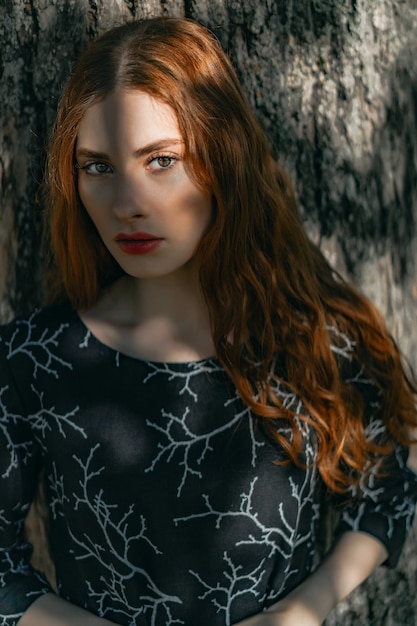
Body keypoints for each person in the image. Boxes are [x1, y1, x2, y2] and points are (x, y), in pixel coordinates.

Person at [0, 16, 416, 626]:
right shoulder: (32, 359)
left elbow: (384, 491)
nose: (128, 204)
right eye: (98, 167)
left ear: (223, 158)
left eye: (161, 160)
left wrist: (300, 612)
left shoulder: (312, 337)